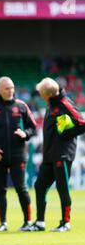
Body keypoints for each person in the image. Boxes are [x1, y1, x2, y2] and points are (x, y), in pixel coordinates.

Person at [0, 77, 37, 232]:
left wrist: (26, 134)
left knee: (21, 188)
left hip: (18, 155)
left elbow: (33, 127)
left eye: (12, 88)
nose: (10, 91)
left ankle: (28, 222)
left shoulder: (21, 106)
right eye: (7, 88)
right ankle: (3, 223)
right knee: (0, 190)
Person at [30, 77, 85, 232]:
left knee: (63, 188)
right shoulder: (52, 103)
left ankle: (65, 222)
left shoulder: (65, 103)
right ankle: (40, 222)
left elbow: (82, 124)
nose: (40, 95)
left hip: (62, 154)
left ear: (47, 95)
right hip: (49, 154)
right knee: (40, 185)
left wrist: (66, 134)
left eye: (41, 93)